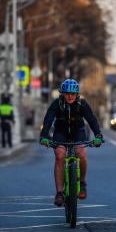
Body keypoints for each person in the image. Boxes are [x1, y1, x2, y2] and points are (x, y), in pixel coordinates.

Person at [39, 79, 103, 207]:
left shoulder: (82, 104)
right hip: (60, 133)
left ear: (77, 94)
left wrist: (98, 136)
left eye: (72, 94)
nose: (69, 96)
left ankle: (83, 183)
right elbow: (48, 121)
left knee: (82, 153)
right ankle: (59, 193)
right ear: (62, 93)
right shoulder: (56, 104)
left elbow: (92, 120)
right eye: (67, 93)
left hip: (77, 132)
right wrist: (44, 136)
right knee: (59, 156)